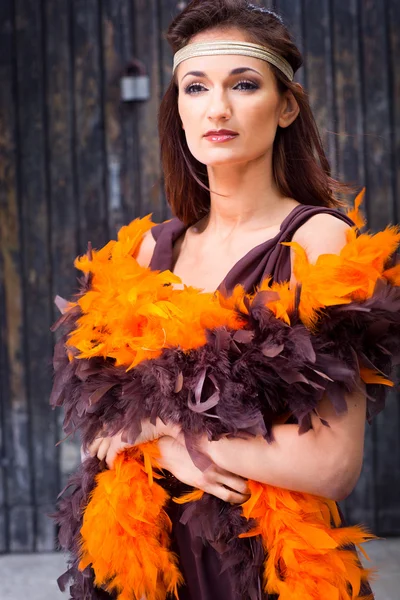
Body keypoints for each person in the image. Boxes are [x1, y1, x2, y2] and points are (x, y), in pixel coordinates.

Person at [81, 1, 377, 598]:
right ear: (179, 109)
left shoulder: (318, 243)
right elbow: (97, 433)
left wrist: (171, 441)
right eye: (196, 87)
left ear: (286, 105)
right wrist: (163, 439)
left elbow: (332, 466)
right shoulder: (147, 252)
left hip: (270, 562)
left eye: (244, 84)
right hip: (150, 559)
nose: (217, 107)